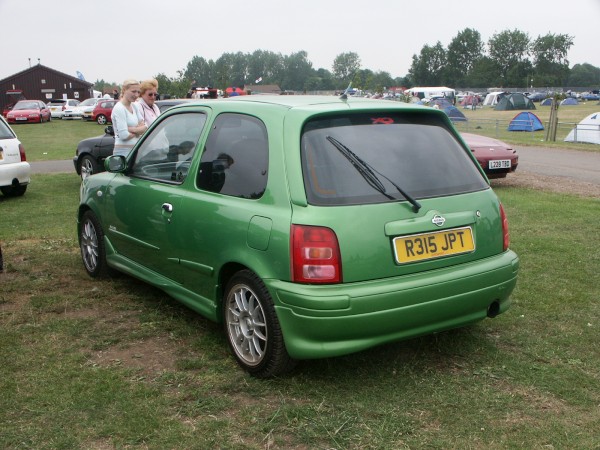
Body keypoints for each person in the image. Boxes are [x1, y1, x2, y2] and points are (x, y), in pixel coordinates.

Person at [112, 79, 147, 157]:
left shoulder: (134, 106)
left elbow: (145, 128)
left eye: (138, 92)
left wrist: (130, 129)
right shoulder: (119, 108)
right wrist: (138, 130)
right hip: (123, 152)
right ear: (124, 90)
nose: (136, 95)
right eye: (133, 91)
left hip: (136, 150)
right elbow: (124, 135)